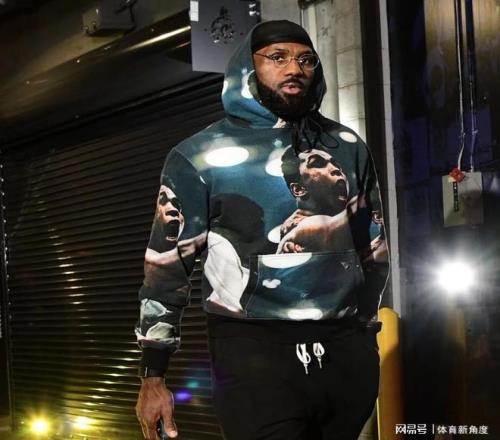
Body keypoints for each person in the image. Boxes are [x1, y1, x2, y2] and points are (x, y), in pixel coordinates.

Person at [135, 20, 389, 440]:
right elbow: (167, 270)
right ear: (247, 68)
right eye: (278, 58)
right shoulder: (198, 156)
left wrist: (365, 337)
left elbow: (372, 248)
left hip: (345, 351)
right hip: (253, 354)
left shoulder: (346, 145)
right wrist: (153, 374)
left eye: (306, 60)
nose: (294, 69)